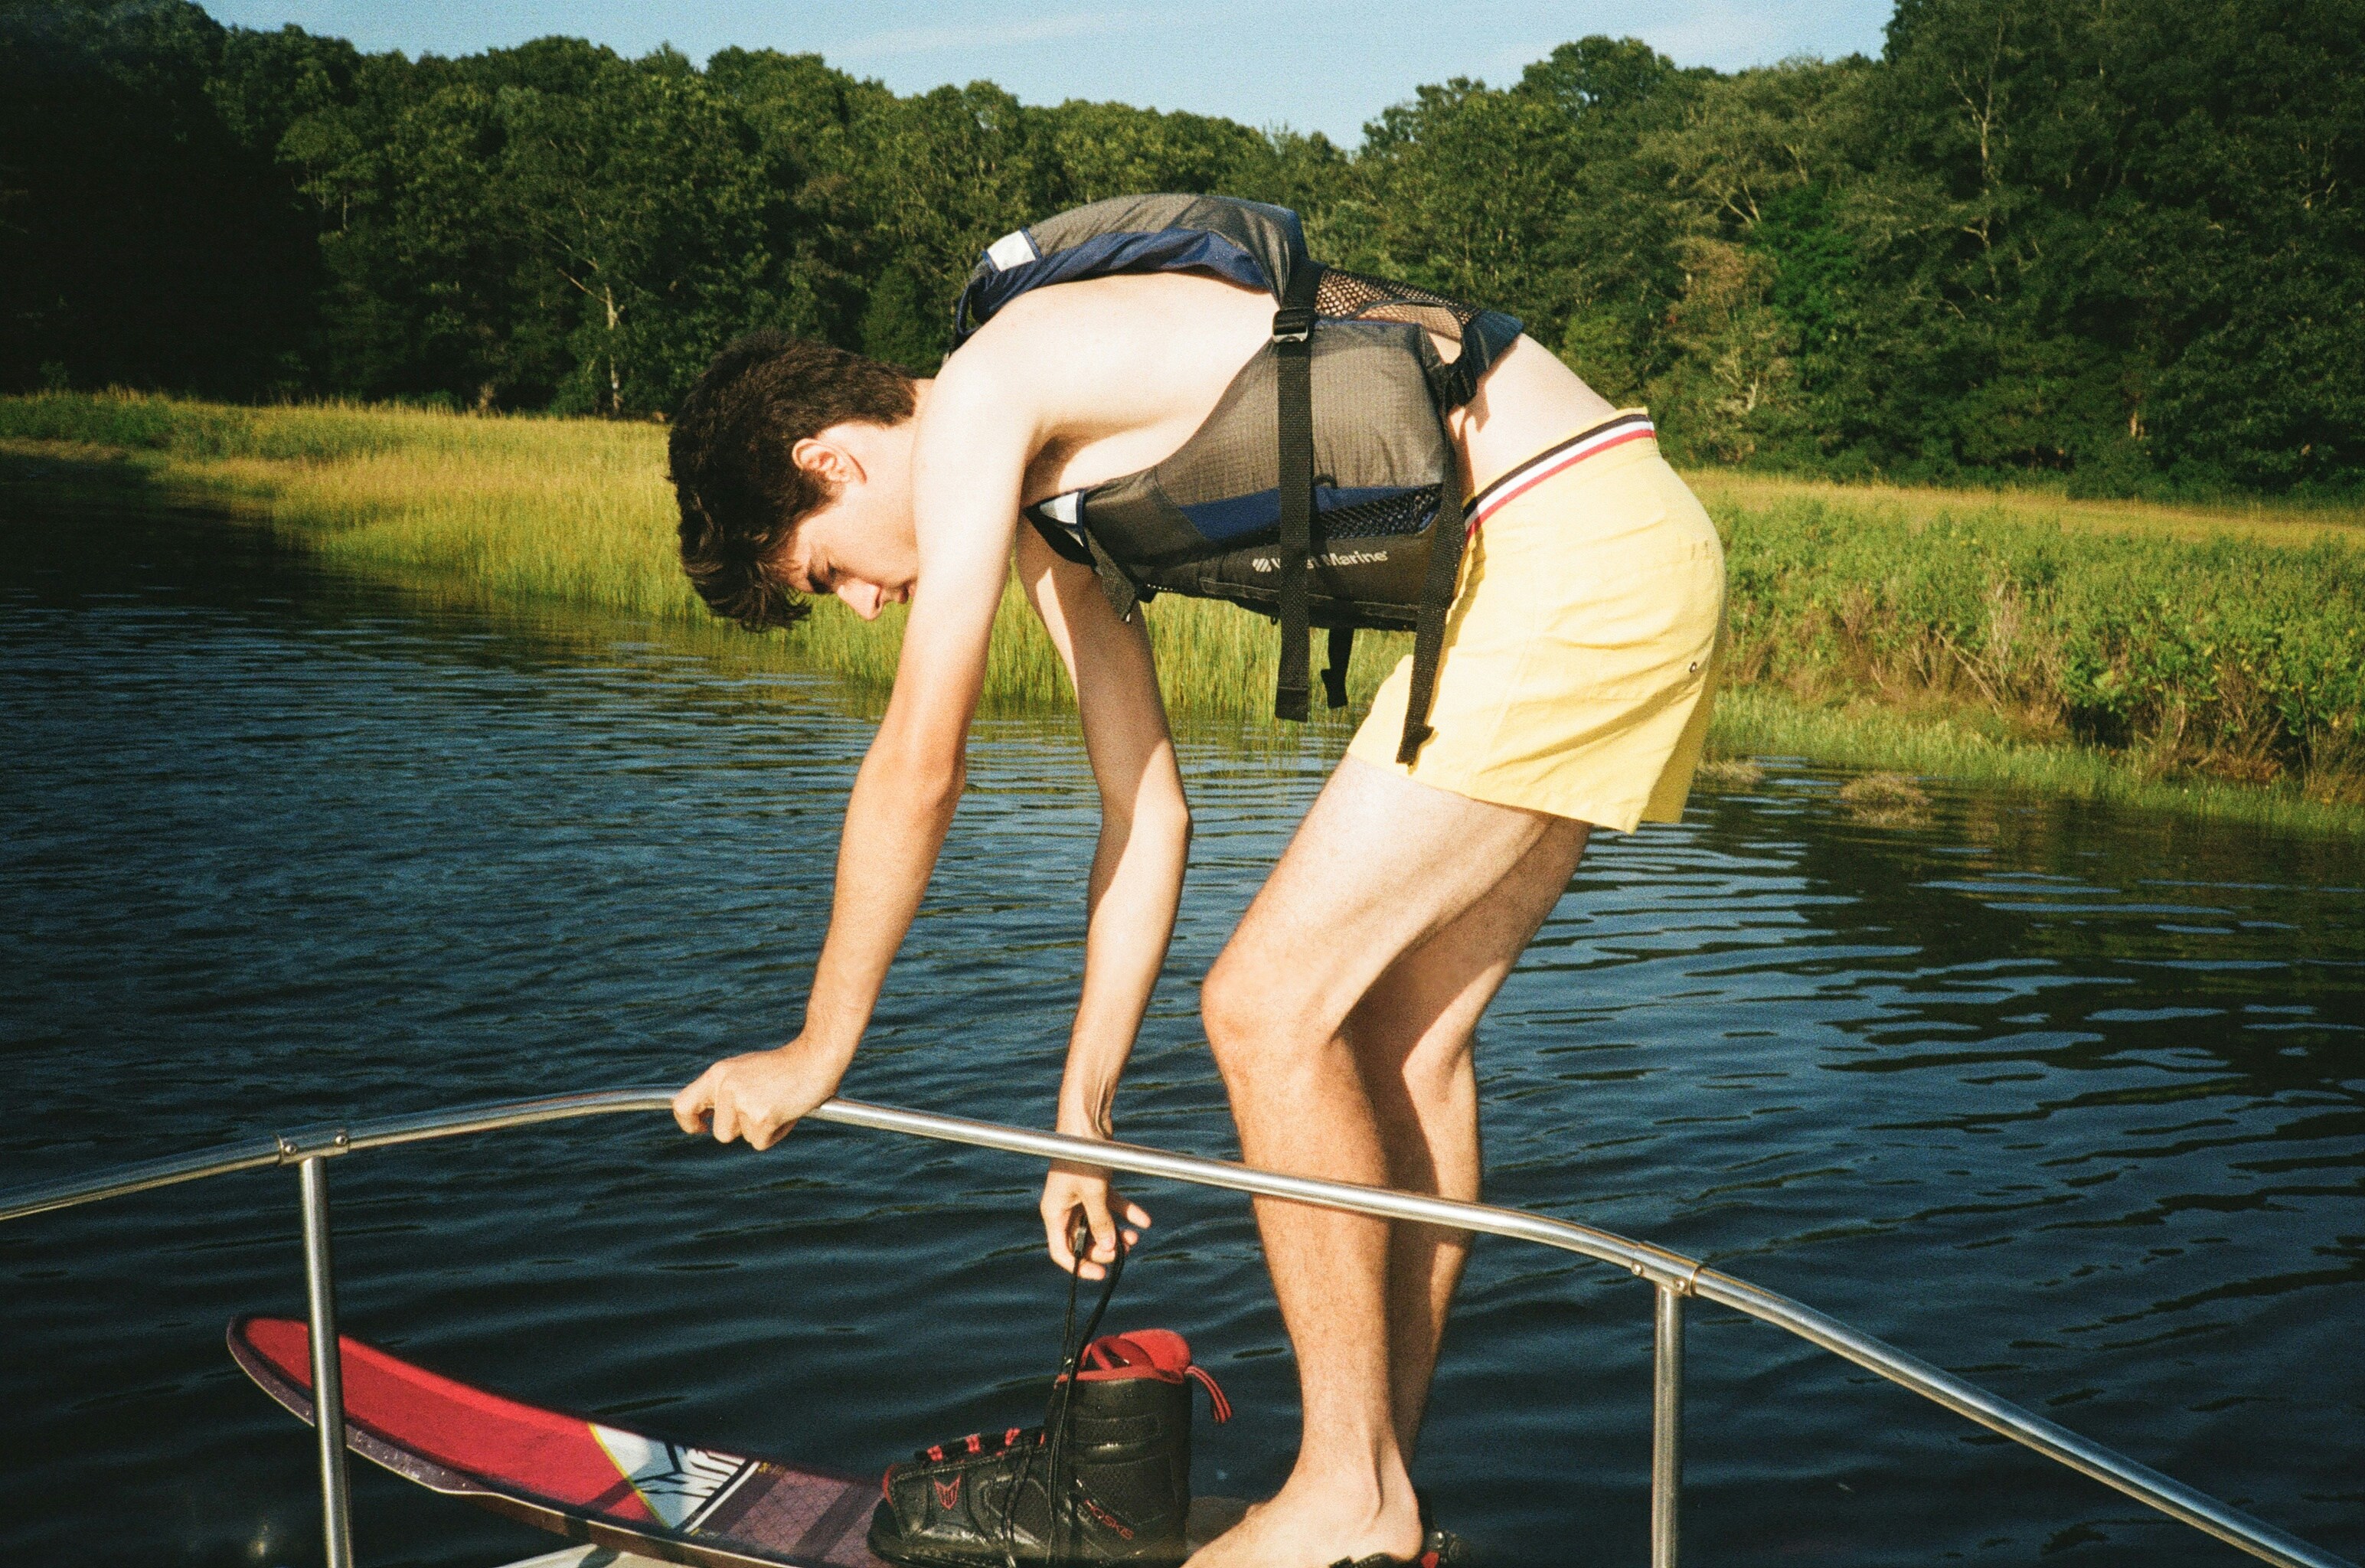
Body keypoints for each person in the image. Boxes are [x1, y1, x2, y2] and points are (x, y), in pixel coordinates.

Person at [668, 195, 1724, 1568]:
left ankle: (1344, 1493)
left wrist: (820, 1047)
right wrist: (1080, 1111)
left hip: (1564, 554)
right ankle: (1373, 1504)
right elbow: (1145, 808)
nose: (863, 605)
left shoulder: (993, 382)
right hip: (1606, 540)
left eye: (823, 574)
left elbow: (919, 766)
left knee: (1265, 1009)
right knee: (1400, 1040)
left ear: (831, 461)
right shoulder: (1047, 497)